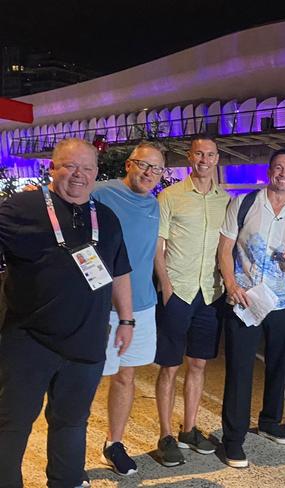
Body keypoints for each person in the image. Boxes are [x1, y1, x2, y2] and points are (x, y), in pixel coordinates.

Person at [0, 138, 133, 488]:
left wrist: (127, 319)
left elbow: (120, 270)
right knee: (12, 422)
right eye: (70, 166)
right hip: (29, 341)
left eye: (87, 168)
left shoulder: (105, 216)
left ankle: (67, 480)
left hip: (87, 341)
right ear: (52, 168)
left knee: (72, 421)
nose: (79, 175)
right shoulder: (20, 208)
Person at [218, 148, 285, 467]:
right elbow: (225, 248)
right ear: (269, 172)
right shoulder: (245, 203)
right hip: (246, 299)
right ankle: (233, 439)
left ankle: (270, 421)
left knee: (279, 364)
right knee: (239, 369)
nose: (284, 174)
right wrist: (231, 284)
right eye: (278, 168)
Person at [153, 134, 230, 466]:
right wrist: (166, 286)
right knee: (169, 366)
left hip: (209, 293)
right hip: (178, 291)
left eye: (210, 154)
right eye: (199, 153)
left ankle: (189, 429)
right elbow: (158, 246)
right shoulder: (169, 196)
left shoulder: (226, 200)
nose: (205, 159)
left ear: (216, 159)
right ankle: (167, 434)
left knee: (198, 364)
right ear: (190, 157)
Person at [92, 141, 166, 475]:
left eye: (156, 168)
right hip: (102, 305)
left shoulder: (154, 206)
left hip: (142, 305)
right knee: (87, 377)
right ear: (128, 165)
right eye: (143, 165)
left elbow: (152, 252)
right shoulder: (101, 193)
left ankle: (114, 443)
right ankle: (70, 449)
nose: (149, 173)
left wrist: (166, 285)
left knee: (126, 376)